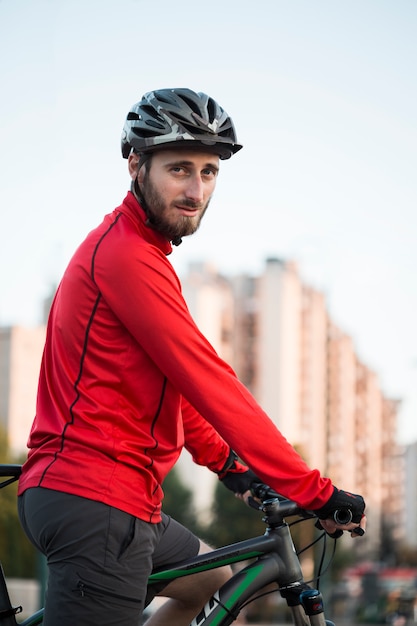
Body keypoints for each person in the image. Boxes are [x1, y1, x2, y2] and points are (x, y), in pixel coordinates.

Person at [17, 88, 366, 626]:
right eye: (180, 169)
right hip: (95, 500)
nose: (196, 189)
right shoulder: (127, 257)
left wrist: (232, 467)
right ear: (136, 164)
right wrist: (314, 490)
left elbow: (173, 388)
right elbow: (211, 383)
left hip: (126, 498)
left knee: (214, 582)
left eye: (209, 173)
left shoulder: (138, 252)